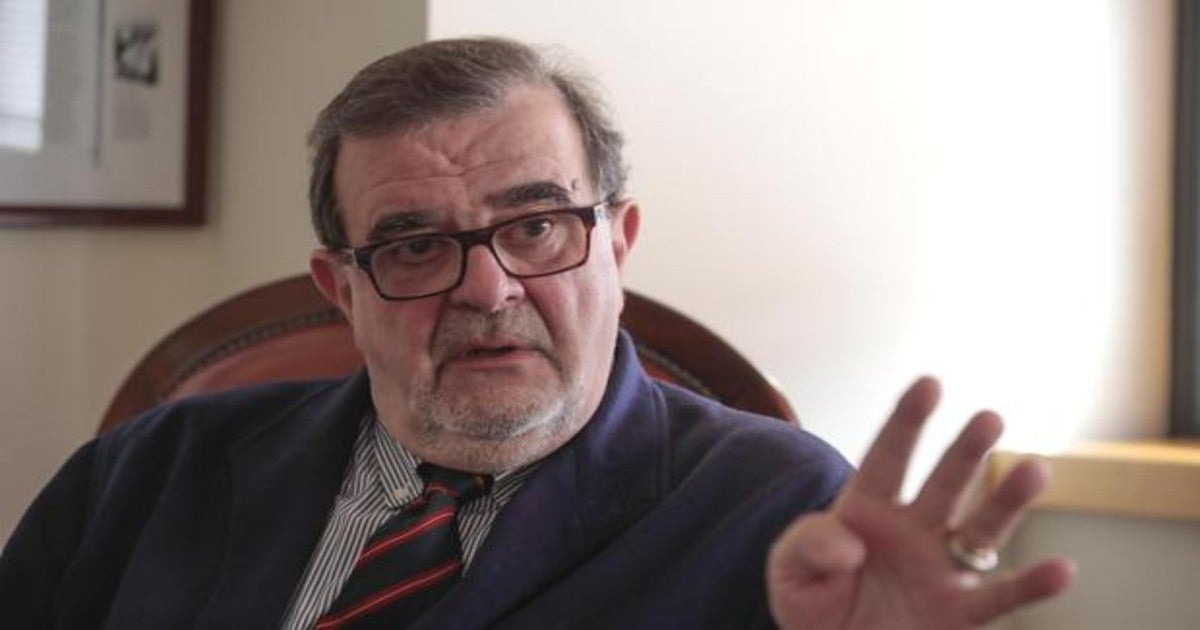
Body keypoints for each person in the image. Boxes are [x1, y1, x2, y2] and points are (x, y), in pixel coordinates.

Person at [0, 37, 1071, 628]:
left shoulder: (780, 507)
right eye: (415, 245)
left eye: (537, 225)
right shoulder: (150, 471)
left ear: (619, 244)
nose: (488, 287)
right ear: (342, 289)